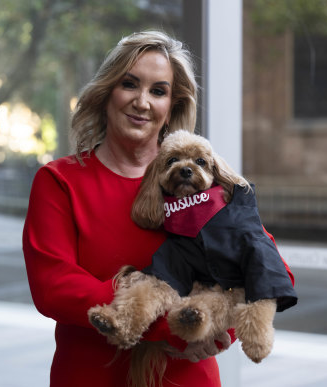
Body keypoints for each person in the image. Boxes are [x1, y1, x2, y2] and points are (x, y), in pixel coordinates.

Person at [23, 30, 293, 386]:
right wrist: (168, 325)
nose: (142, 101)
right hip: (91, 375)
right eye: (129, 84)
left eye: (158, 91)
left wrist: (214, 323)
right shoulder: (59, 181)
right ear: (107, 93)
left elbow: (271, 267)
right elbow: (52, 287)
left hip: (187, 376)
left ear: (171, 108)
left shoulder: (203, 184)